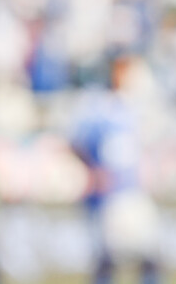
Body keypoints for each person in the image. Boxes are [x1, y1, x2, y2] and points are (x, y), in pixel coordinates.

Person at [68, 51, 162, 284]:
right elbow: (77, 143)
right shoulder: (99, 107)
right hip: (109, 198)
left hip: (132, 192)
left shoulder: (134, 106)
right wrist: (93, 170)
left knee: (150, 255)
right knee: (106, 259)